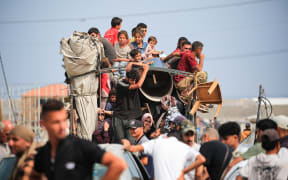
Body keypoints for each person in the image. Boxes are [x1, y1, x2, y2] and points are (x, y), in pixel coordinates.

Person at [32, 99, 127, 180]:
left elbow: (118, 164)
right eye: (56, 122)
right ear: (43, 124)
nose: (62, 126)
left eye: (64, 120)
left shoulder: (81, 146)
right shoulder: (42, 154)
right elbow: (34, 176)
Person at [122, 130, 206, 180]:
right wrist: (183, 172)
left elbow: (133, 148)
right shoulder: (183, 147)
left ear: (167, 137)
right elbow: (201, 159)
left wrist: (127, 144)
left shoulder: (157, 142)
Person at [112, 64, 149, 144]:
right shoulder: (121, 84)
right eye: (132, 81)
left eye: (135, 80)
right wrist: (146, 70)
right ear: (127, 78)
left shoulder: (134, 79)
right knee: (121, 142)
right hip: (120, 117)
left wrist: (142, 65)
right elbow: (139, 85)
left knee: (132, 142)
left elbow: (130, 64)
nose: (133, 82)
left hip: (132, 117)